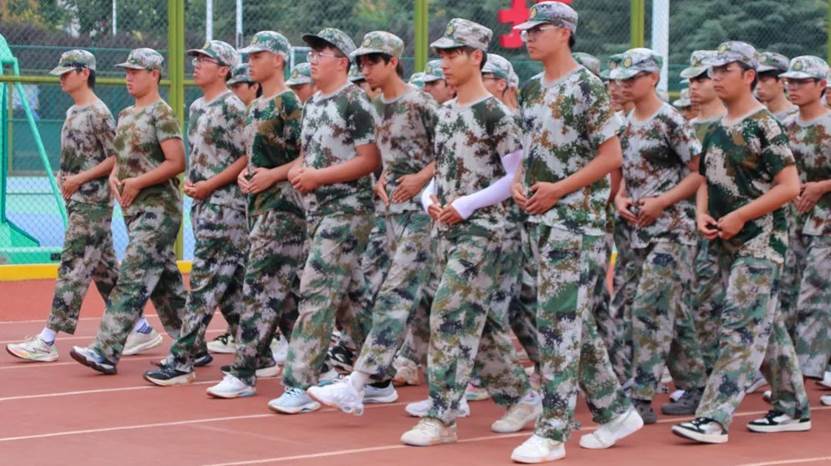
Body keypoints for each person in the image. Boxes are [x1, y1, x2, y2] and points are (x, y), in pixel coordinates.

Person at [511, 3, 643, 462]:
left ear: (565, 33)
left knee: (557, 325)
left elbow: (611, 158)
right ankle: (615, 411)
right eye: (526, 30)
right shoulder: (531, 88)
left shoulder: (587, 87)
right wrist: (519, 182)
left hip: (575, 222)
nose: (528, 37)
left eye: (538, 30)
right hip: (539, 220)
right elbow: (527, 149)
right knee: (570, 322)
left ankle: (552, 431)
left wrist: (558, 189)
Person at [398, 18, 536, 449]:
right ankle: (521, 397)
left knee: (449, 313)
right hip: (447, 228)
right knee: (482, 320)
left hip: (486, 232)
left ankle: (442, 415)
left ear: (477, 57)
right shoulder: (447, 112)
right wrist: (429, 198)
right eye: (441, 54)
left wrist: (468, 204)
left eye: (453, 54)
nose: (444, 62)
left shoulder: (497, 115)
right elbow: (441, 171)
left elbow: (514, 178)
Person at [671, 41, 810, 444]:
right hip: (722, 241)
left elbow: (789, 186)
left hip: (760, 242)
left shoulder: (765, 126)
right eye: (712, 71)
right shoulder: (717, 128)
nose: (715, 77)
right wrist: (702, 212)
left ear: (749, 76)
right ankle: (792, 406)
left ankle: (713, 417)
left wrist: (740, 216)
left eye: (724, 70)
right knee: (763, 325)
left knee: (741, 326)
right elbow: (705, 178)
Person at [306, 30, 438, 415]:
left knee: (395, 295)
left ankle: (358, 383)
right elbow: (384, 155)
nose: (365, 68)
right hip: (389, 214)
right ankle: (449, 392)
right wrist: (383, 178)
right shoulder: (375, 106)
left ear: (393, 62)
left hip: (423, 214)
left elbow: (451, 152)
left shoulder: (421, 103)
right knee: (418, 300)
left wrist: (421, 178)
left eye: (373, 61)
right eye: (361, 61)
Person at [5, 50, 160, 362]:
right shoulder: (73, 111)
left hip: (92, 203)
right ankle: (140, 327)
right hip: (78, 201)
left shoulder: (99, 113)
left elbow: (116, 157)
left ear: (84, 73)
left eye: (67, 72)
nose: (61, 78)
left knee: (72, 267)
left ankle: (47, 340)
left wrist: (80, 179)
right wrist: (66, 176)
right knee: (105, 271)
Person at [269, 27, 381, 414]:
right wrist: (298, 169)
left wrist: (317, 176)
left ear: (343, 63)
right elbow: (308, 152)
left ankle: (300, 383)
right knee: (351, 298)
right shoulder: (314, 103)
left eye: (321, 53)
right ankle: (378, 376)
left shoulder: (355, 102)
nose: (312, 59)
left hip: (347, 210)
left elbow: (369, 160)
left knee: (315, 291)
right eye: (312, 53)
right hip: (316, 211)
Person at [70, 48, 187, 374]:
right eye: (127, 71)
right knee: (166, 284)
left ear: (154, 75)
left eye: (135, 72)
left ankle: (105, 351)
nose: (128, 77)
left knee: (132, 276)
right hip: (133, 211)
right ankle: (192, 344)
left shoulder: (161, 114)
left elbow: (177, 162)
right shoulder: (125, 115)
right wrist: (114, 176)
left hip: (159, 209)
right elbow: (120, 158)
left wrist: (137, 183)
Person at [204, 31, 305, 398]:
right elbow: (253, 156)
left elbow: (307, 156)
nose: (250, 62)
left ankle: (244, 372)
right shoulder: (255, 106)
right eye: (249, 56)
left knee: (257, 287)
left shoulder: (290, 104)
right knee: (287, 295)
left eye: (258, 56)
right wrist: (247, 175)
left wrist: (272, 175)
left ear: (278, 59)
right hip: (258, 208)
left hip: (284, 209)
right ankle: (320, 367)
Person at [610, 47, 708, 424]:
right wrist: (620, 197)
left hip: (673, 230)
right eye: (622, 78)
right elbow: (625, 172)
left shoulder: (670, 120)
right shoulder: (624, 122)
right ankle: (695, 384)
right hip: (638, 230)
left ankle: (640, 395)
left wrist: (662, 201)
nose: (624, 84)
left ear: (652, 78)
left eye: (633, 78)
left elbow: (699, 172)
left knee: (649, 307)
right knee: (668, 310)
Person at [143, 40, 248, 386]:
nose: (197, 64)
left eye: (205, 60)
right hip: (202, 204)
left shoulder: (233, 107)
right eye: (197, 59)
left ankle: (182, 360)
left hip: (226, 206)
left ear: (224, 70)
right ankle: (258, 356)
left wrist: (211, 184)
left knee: (203, 282)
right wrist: (196, 184)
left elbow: (247, 156)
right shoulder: (197, 106)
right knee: (231, 288)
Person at [779, 56, 831, 381]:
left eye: (801, 82)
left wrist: (822, 186)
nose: (793, 87)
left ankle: (805, 372)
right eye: (790, 81)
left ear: (821, 85)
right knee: (787, 291)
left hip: (826, 223)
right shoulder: (785, 126)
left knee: (815, 292)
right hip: (793, 221)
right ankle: (788, 368)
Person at [756, 51, 799, 123]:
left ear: (782, 81)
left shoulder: (797, 117)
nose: (758, 86)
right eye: (756, 81)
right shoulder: (754, 115)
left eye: (764, 80)